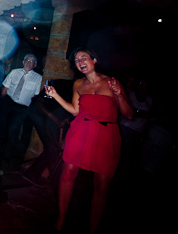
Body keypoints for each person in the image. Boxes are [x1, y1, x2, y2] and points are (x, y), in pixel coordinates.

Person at [45, 48, 133, 234]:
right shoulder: (78, 84)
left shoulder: (111, 82)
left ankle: (93, 229)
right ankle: (61, 220)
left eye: (83, 58)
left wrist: (118, 94)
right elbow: (75, 110)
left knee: (101, 185)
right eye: (76, 60)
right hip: (81, 131)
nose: (79, 62)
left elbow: (129, 114)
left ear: (94, 60)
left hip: (105, 135)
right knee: (67, 174)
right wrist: (55, 96)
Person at [0, 54, 43, 162]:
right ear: (23, 62)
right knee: (2, 126)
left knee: (13, 129)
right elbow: (5, 88)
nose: (28, 63)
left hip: (22, 108)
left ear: (35, 65)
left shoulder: (38, 78)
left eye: (32, 61)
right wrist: (2, 101)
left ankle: (7, 155)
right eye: (27, 60)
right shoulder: (14, 72)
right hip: (8, 102)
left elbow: (36, 95)